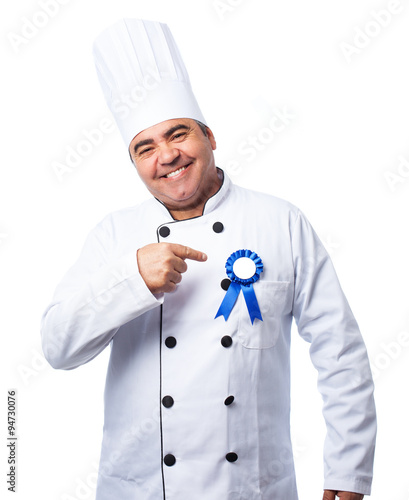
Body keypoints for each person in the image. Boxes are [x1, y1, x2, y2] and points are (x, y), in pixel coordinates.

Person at [41, 18, 376, 500]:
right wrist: (131, 278)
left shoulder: (280, 222)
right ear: (134, 163)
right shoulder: (113, 234)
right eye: (145, 148)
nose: (167, 156)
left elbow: (340, 353)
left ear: (210, 137)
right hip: (140, 489)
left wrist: (350, 476)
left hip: (252, 488)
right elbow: (57, 347)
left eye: (178, 134)